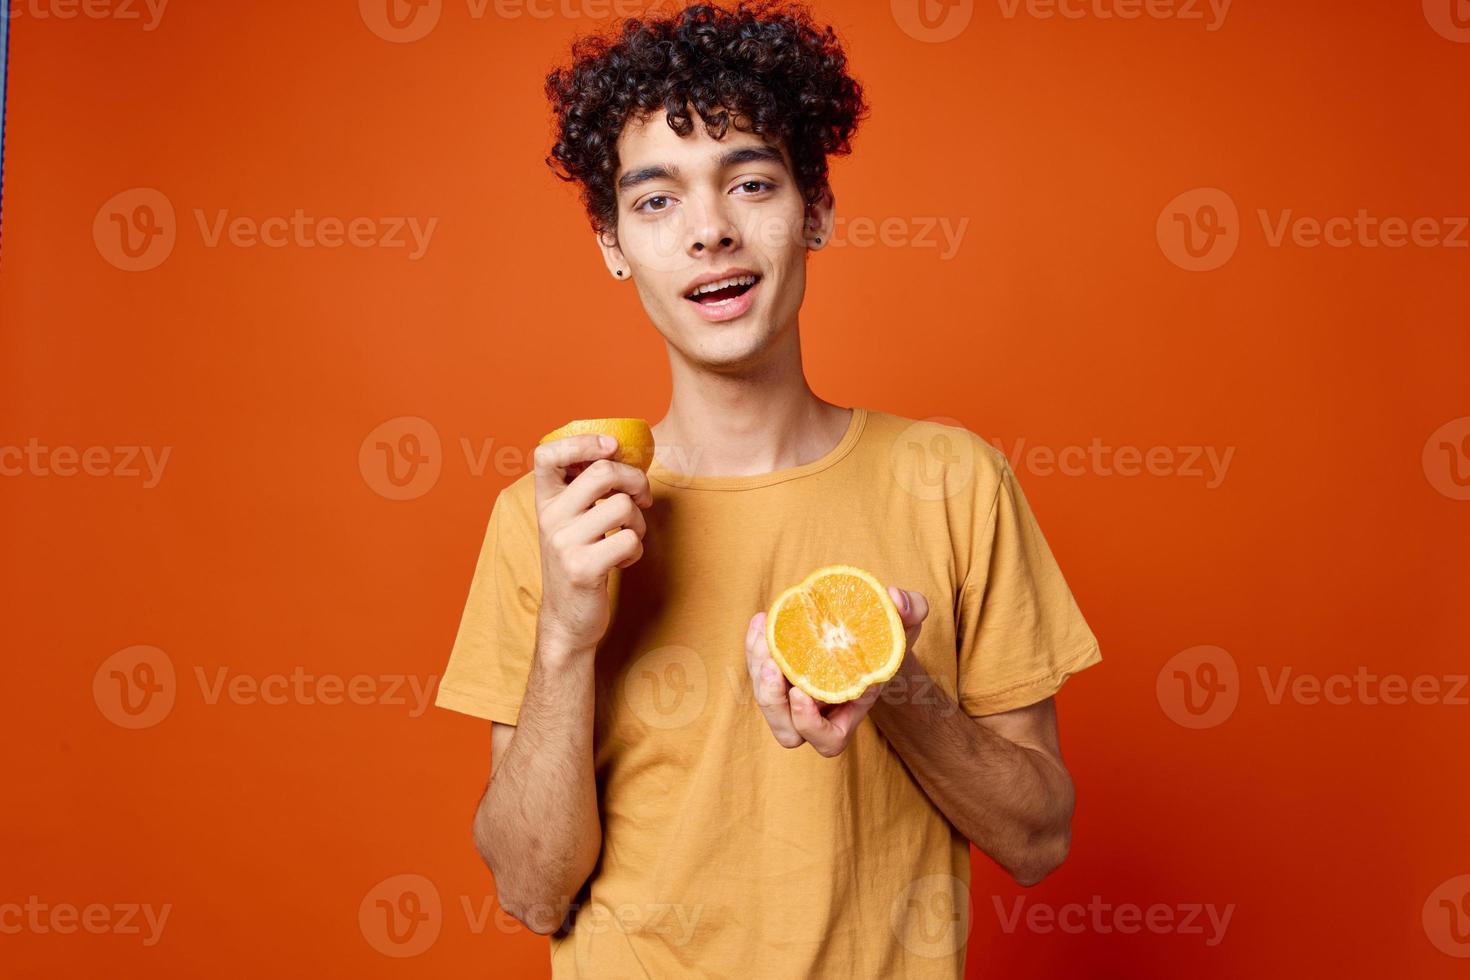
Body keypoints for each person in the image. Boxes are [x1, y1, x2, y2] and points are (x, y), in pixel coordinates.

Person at [435, 3, 1102, 975]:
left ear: (816, 209)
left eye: (750, 181)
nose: (711, 230)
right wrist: (567, 634)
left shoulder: (953, 481)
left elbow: (1040, 840)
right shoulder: (561, 516)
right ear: (612, 240)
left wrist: (899, 685)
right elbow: (533, 887)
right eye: (657, 199)